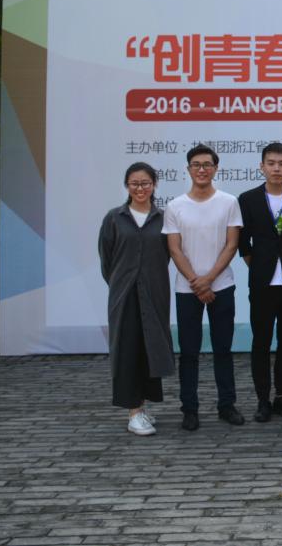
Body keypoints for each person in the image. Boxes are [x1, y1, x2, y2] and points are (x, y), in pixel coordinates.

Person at [164, 144, 244, 431]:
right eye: (196, 165)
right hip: (187, 289)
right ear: (188, 169)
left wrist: (209, 279)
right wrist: (198, 283)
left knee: (223, 348)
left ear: (215, 169)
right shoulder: (175, 206)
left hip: (222, 286)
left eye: (207, 165)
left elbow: (232, 245)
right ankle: (190, 409)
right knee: (189, 351)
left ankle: (227, 405)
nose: (202, 169)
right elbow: (174, 249)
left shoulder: (229, 202)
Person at [98, 162, 175, 436]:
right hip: (124, 295)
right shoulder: (114, 218)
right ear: (127, 186)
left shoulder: (164, 218)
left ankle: (142, 406)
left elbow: (169, 254)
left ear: (154, 185)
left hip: (154, 293)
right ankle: (134, 412)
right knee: (128, 349)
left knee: (150, 349)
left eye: (145, 183)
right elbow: (107, 260)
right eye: (134, 183)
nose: (140, 188)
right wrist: (122, 282)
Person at [238, 142, 282, 422]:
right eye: (271, 163)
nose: (276, 168)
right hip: (262, 284)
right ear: (262, 166)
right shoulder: (248, 199)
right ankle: (262, 400)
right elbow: (243, 243)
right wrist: (260, 267)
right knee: (261, 342)